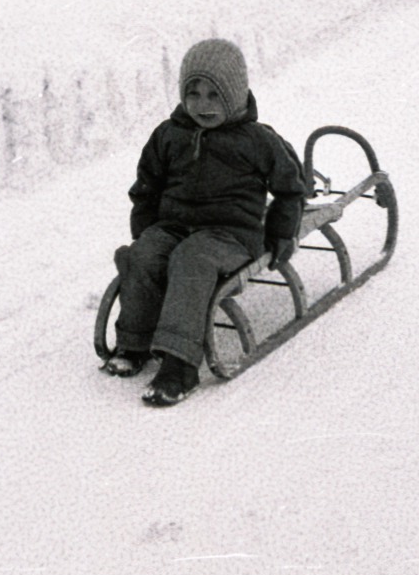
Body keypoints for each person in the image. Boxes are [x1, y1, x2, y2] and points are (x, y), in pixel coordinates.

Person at [102, 38, 306, 406]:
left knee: (191, 260)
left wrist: (280, 233)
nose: (202, 105)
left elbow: (291, 188)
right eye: (192, 93)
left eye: (214, 95)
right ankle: (135, 343)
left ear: (235, 94)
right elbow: (146, 186)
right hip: (175, 226)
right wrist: (146, 231)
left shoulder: (257, 140)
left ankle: (180, 364)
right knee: (145, 255)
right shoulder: (169, 135)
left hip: (231, 233)